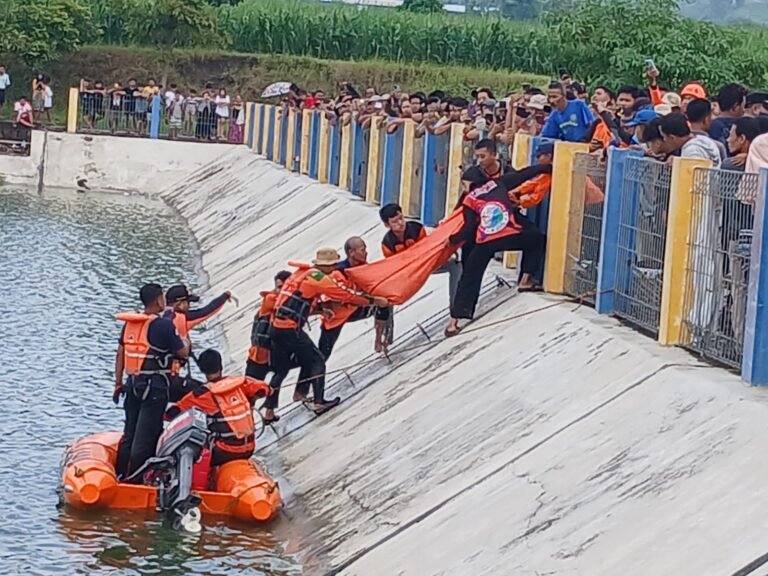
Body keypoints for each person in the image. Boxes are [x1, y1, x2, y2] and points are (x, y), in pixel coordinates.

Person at [270, 248, 388, 414]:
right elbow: (346, 296)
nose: (334, 268)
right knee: (318, 359)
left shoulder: (300, 274)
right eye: (332, 265)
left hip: (277, 326)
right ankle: (319, 402)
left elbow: (298, 303)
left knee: (307, 358)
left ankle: (299, 393)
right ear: (325, 266)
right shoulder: (319, 279)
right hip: (288, 328)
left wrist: (320, 310)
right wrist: (375, 301)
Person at [445, 163, 552, 336]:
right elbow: (524, 174)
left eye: (463, 184)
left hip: (485, 241)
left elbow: (469, 228)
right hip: (508, 234)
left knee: (469, 277)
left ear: (470, 183)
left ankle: (453, 323)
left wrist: (452, 240)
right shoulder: (499, 183)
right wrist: (546, 167)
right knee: (537, 240)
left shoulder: (469, 199)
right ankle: (524, 281)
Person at [115, 283, 190, 480]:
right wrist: (187, 343)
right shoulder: (164, 325)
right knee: (145, 437)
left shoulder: (130, 324)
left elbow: (120, 354)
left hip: (132, 385)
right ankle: (139, 480)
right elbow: (182, 352)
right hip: (155, 388)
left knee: (129, 433)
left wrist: (117, 383)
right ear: (159, 300)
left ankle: (120, 473)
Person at [166, 349, 270, 467]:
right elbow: (265, 389)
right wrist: (251, 400)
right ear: (221, 366)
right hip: (250, 448)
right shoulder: (240, 383)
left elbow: (172, 414)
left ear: (202, 370)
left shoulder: (200, 395)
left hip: (223, 452)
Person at [318, 237, 380, 358]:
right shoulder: (337, 273)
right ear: (351, 253)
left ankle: (381, 340)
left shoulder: (364, 267)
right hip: (336, 317)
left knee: (385, 304)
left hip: (354, 310)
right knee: (322, 355)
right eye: (362, 250)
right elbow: (334, 298)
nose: (366, 252)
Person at [246, 271, 292, 424]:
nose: (280, 290)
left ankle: (269, 412)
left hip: (274, 352)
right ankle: (246, 421)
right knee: (250, 392)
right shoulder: (271, 299)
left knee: (280, 373)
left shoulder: (280, 298)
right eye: (279, 287)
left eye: (283, 287)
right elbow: (286, 308)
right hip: (259, 355)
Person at [709, 83, 747, 150]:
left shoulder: (709, 125)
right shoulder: (743, 127)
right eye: (743, 106)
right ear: (735, 107)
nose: (744, 110)